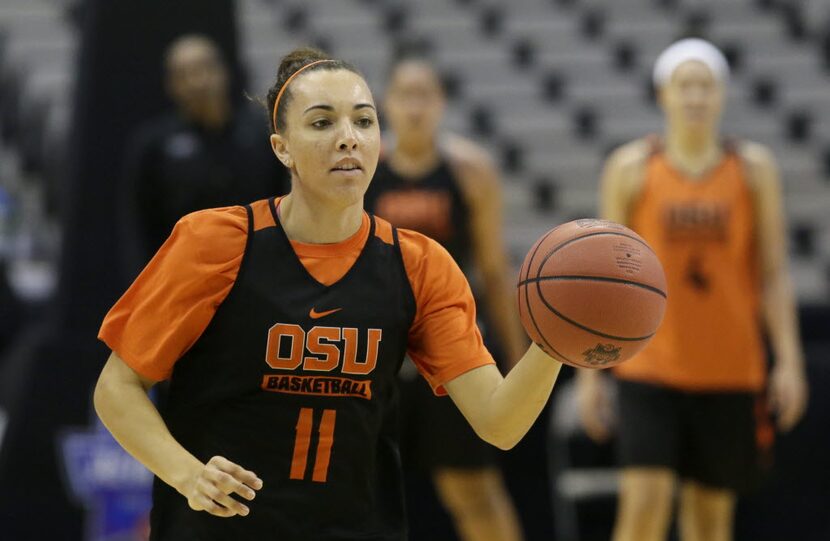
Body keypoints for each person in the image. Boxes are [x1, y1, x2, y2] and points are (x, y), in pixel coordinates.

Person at [93, 46, 563, 540]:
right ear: (281, 148)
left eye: (364, 122)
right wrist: (186, 474)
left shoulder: (421, 266)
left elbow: (498, 422)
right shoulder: (214, 241)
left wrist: (556, 341)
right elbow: (115, 389)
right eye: (321, 123)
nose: (348, 139)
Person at [576, 39, 809, 541]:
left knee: (709, 520)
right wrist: (590, 374)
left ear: (721, 95)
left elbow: (772, 272)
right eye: (686, 85)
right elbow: (602, 277)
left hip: (730, 367)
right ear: (664, 94)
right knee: (643, 509)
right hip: (650, 366)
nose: (696, 97)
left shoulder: (753, 169)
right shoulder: (631, 167)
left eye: (706, 86)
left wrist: (788, 360)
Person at [364, 53, 525, 541]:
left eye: (424, 95)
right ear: (386, 103)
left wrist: (514, 359)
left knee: (471, 489)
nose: (414, 107)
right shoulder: (364, 170)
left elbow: (494, 272)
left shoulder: (470, 172)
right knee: (364, 492)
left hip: (450, 347)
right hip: (381, 351)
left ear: (441, 103)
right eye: (405, 95)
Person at [122, 34, 289, 269]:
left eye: (204, 68)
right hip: (188, 274)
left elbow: (285, 207)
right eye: (184, 74)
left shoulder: (262, 135)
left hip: (257, 271)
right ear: (171, 85)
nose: (197, 81)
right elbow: (142, 227)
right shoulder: (154, 146)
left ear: (224, 72)